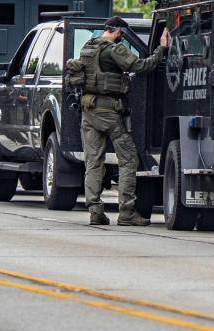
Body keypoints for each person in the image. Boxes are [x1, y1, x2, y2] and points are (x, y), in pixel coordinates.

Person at [72, 16, 169, 226]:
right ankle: (126, 212)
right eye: (122, 35)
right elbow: (143, 65)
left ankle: (95, 211)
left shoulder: (88, 48)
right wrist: (161, 49)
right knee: (128, 159)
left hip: (88, 110)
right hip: (109, 112)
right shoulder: (114, 50)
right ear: (119, 33)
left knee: (93, 162)